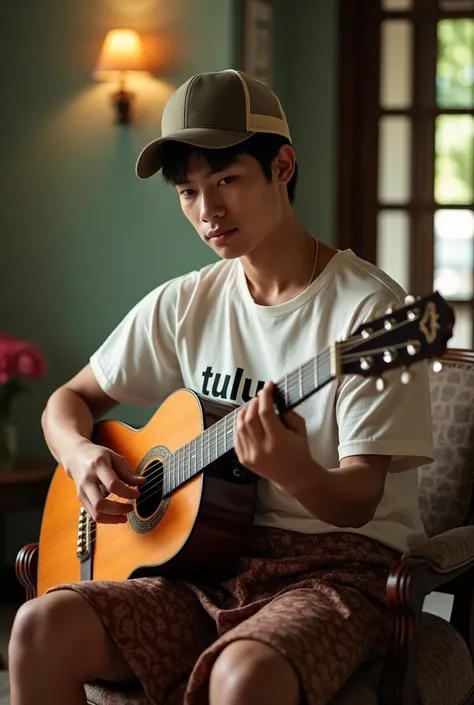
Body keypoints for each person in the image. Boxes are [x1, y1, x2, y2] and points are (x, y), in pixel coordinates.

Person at [8, 69, 434, 705]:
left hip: (338, 574)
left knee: (243, 677)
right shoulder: (186, 303)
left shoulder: (369, 314)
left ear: (282, 166)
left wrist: (293, 469)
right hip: (202, 569)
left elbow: (358, 501)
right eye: (188, 192)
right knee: (39, 627)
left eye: (227, 180)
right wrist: (81, 454)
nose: (207, 211)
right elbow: (66, 402)